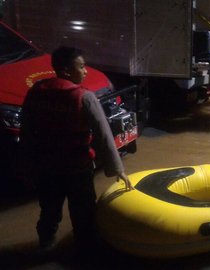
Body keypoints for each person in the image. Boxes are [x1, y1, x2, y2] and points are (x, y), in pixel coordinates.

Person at [20, 46, 131, 250]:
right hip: (77, 167)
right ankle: (85, 249)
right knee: (84, 210)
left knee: (49, 208)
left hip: (46, 166)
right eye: (81, 66)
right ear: (66, 71)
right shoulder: (83, 97)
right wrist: (118, 170)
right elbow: (103, 134)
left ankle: (45, 243)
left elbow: (26, 132)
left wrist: (28, 166)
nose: (85, 71)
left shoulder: (36, 92)